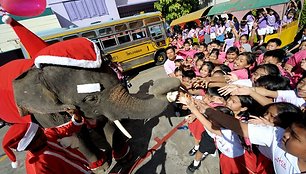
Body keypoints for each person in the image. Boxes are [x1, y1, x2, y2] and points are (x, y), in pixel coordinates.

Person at [202, 106, 306, 173]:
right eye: (289, 128)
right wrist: (208, 111)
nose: (286, 134)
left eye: (294, 136)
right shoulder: (277, 135)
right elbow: (242, 128)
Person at [2, 109, 95, 174]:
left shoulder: (47, 135)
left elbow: (70, 127)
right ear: (29, 145)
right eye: (39, 135)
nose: (43, 133)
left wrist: (76, 116)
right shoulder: (37, 167)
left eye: (40, 130)